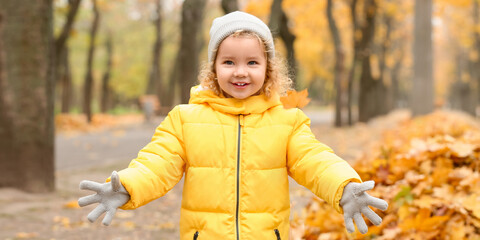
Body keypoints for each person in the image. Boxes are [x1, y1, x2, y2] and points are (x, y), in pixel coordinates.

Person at [78, 11, 388, 240]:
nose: (241, 72)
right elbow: (157, 163)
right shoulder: (185, 119)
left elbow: (315, 161)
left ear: (268, 69)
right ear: (213, 67)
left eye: (252, 62)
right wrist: (128, 185)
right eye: (229, 62)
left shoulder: (287, 122)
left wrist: (344, 186)